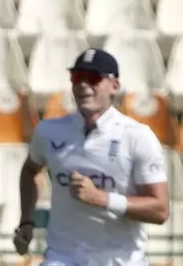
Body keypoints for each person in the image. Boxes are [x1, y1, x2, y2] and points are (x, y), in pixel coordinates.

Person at [14, 48, 169, 265]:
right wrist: (26, 221)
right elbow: (31, 169)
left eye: (94, 78)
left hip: (120, 260)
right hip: (62, 258)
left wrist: (102, 199)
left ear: (114, 86)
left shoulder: (137, 136)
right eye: (77, 78)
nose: (83, 85)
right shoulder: (48, 131)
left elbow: (160, 210)